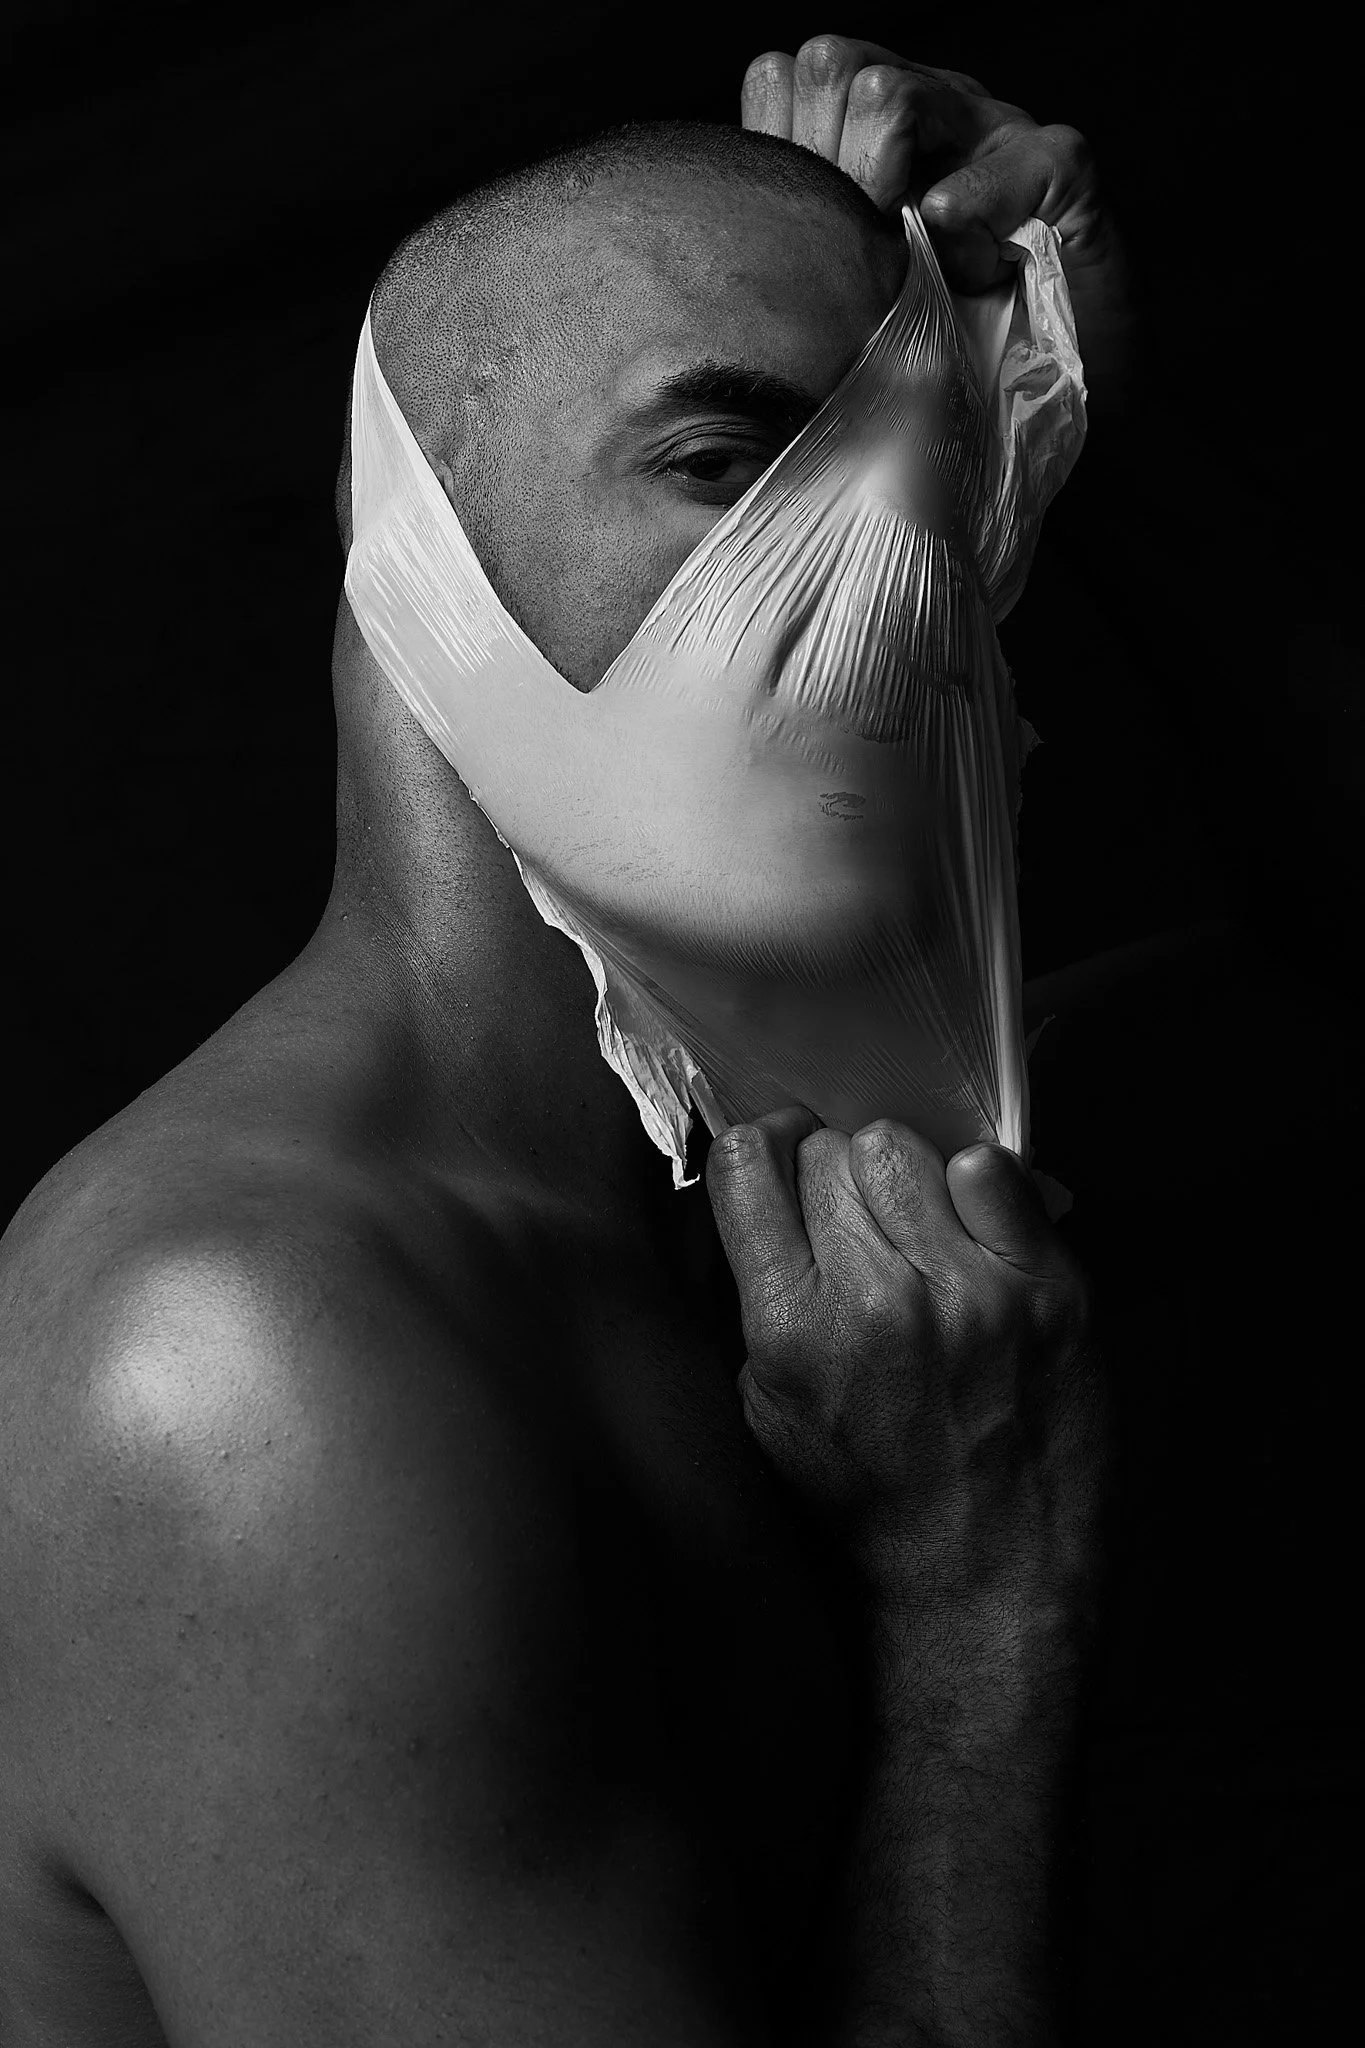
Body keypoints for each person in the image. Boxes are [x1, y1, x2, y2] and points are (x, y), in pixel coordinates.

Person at [0, 37, 1128, 2047]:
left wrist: (1046, 370)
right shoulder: (245, 1364)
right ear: (414, 537)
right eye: (727, 467)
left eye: (941, 499)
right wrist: (980, 1616)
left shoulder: (764, 1203)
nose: (887, 583)